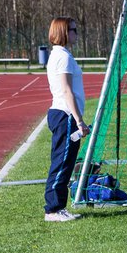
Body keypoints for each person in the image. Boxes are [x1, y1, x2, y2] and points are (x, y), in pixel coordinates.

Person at [44, 17, 89, 222]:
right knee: (62, 163)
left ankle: (57, 207)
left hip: (65, 115)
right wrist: (79, 120)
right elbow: (66, 90)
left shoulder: (62, 55)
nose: (76, 33)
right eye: (73, 29)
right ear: (64, 32)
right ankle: (53, 209)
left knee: (66, 162)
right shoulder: (62, 57)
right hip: (65, 115)